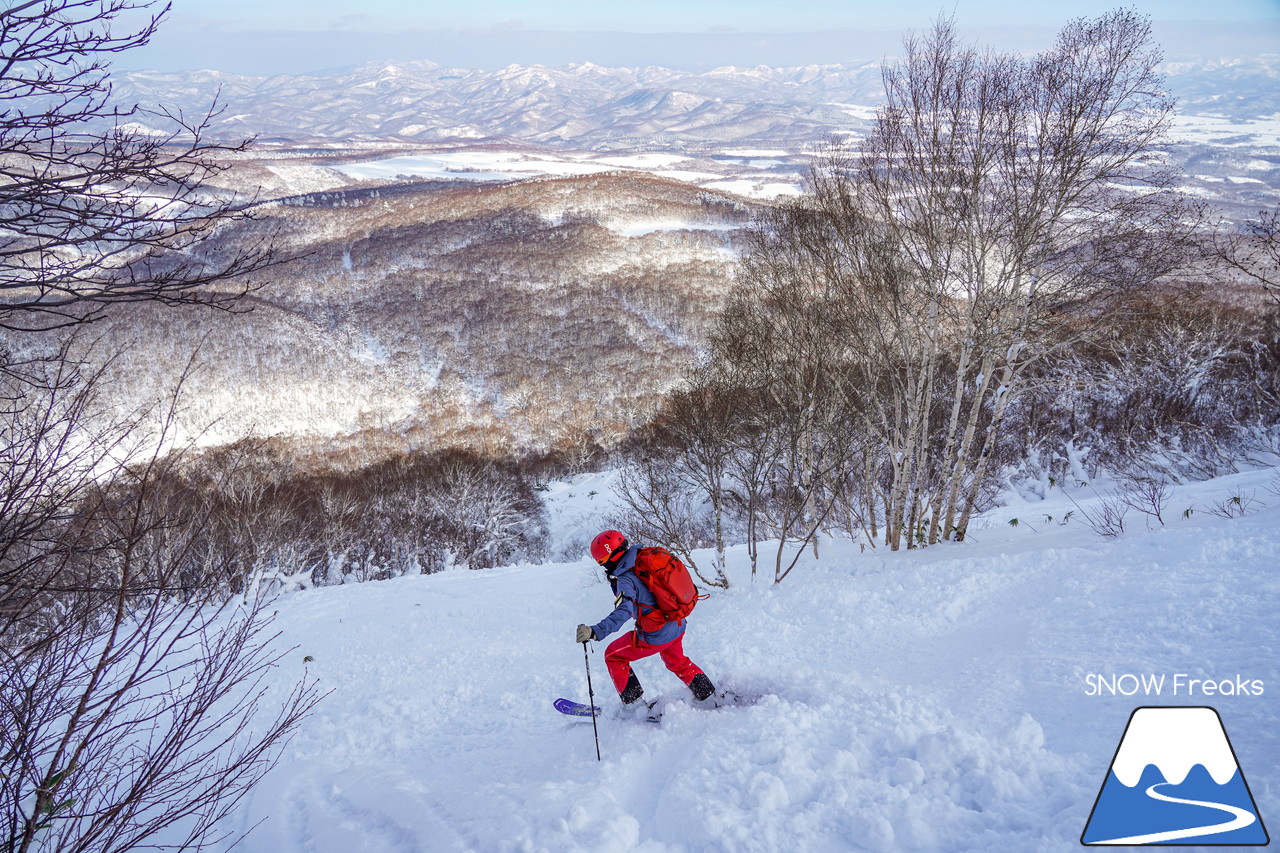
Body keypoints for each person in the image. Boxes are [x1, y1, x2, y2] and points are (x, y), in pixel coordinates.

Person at [575, 530, 716, 713]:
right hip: (677, 622)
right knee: (676, 661)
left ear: (611, 557)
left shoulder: (626, 578)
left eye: (601, 561)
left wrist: (596, 631)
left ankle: (634, 707)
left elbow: (624, 611)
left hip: (657, 633)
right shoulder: (644, 558)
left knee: (614, 655)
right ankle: (708, 695)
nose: (602, 566)